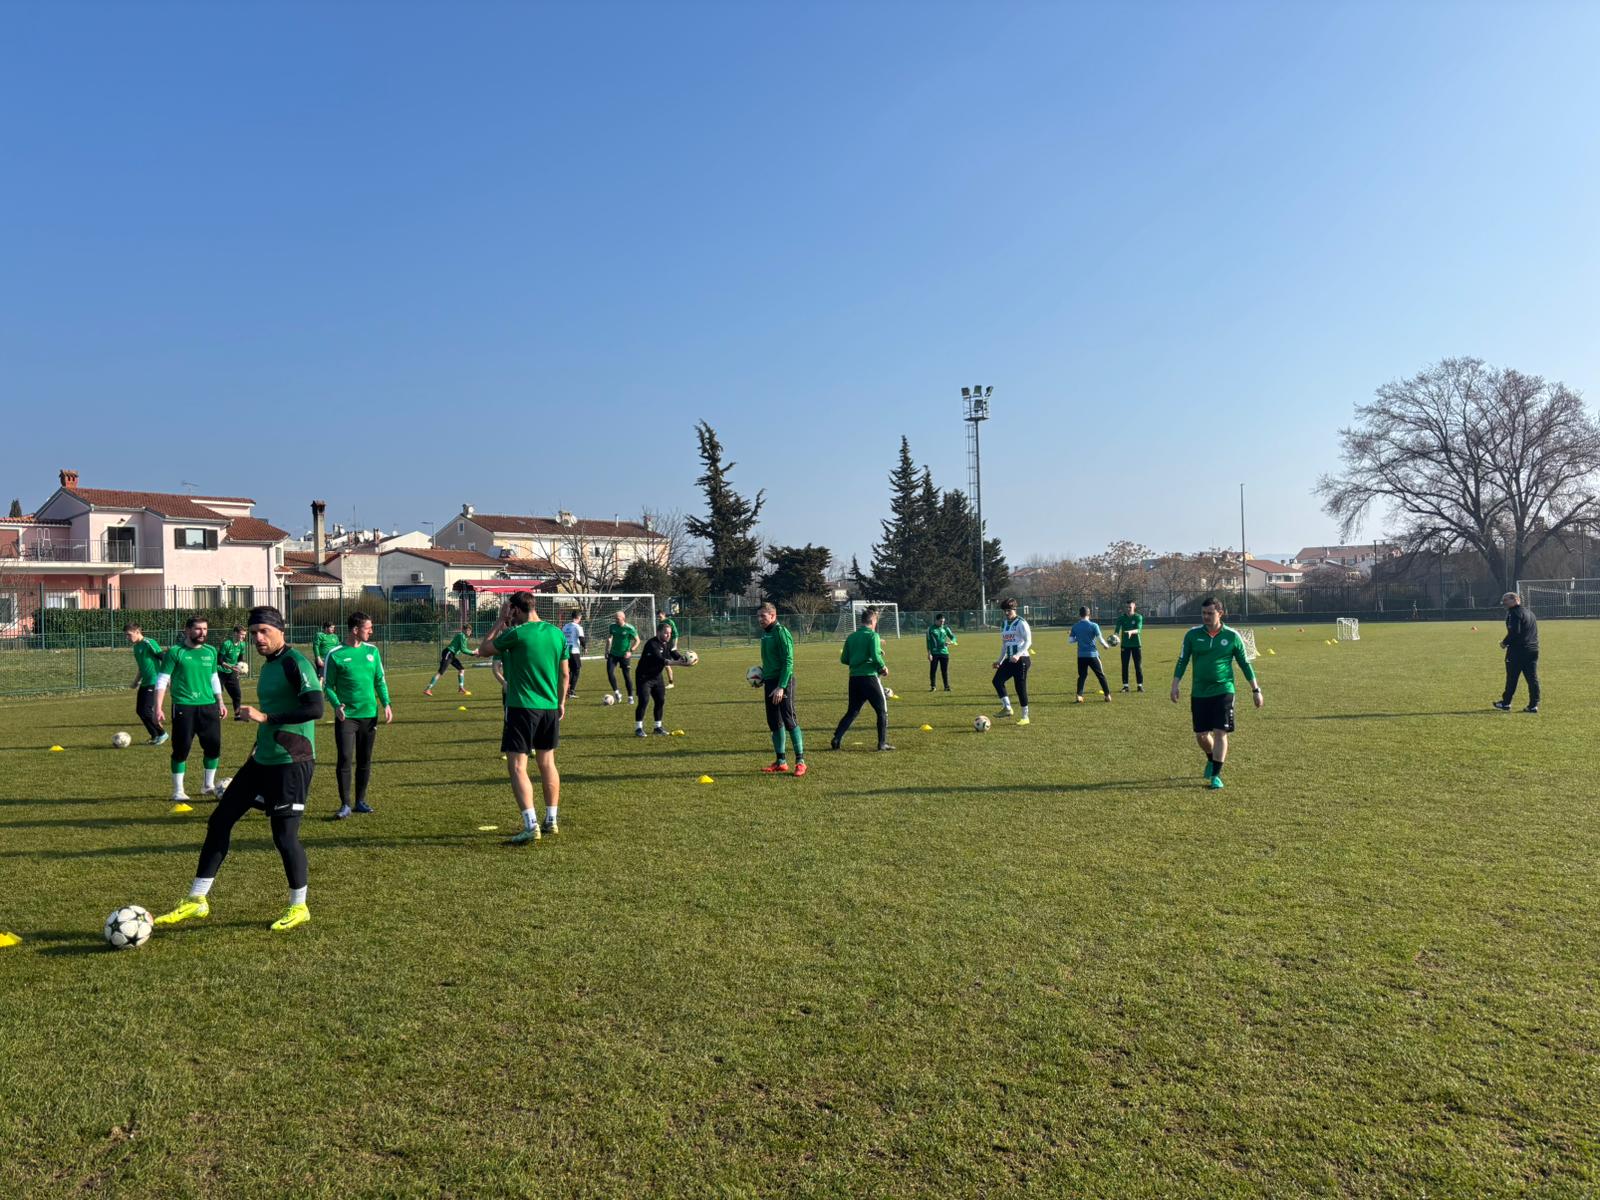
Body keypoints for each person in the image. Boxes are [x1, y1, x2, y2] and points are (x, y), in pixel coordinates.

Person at [153, 605, 323, 933]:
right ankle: (197, 899)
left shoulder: (295, 662)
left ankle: (299, 906)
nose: (258, 638)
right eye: (254, 632)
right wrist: (259, 739)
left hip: (293, 761)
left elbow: (315, 708)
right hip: (262, 758)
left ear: (281, 631)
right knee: (220, 820)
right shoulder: (270, 665)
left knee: (284, 837)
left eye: (265, 632)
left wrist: (265, 717)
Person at [477, 591, 568, 843]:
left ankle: (531, 825)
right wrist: (560, 702)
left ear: (515, 610)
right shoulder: (557, 633)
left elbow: (483, 650)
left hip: (522, 707)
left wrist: (499, 621)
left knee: (517, 766)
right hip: (550, 707)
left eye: (509, 611)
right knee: (547, 763)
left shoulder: (516, 633)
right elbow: (565, 675)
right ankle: (551, 820)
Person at [1170, 597, 1263, 790]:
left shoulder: (1232, 636)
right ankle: (1211, 759)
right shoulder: (1192, 635)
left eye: (1210, 613)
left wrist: (1256, 690)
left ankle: (1216, 775)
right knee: (1202, 735)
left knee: (1220, 731)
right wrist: (1175, 685)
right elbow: (1182, 660)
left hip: (1224, 690)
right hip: (1199, 692)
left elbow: (1245, 664)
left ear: (1220, 613)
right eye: (1203, 613)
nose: (1206, 617)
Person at [323, 611, 393, 819]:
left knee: (365, 758)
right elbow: (328, 686)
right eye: (368, 628)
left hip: (369, 715)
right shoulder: (335, 654)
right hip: (347, 717)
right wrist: (337, 705)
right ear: (355, 630)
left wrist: (386, 703)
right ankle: (345, 804)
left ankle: (360, 801)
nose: (371, 631)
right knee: (345, 758)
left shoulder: (372, 651)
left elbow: (379, 680)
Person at [153, 615, 227, 801]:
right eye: (198, 629)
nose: (202, 633)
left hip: (208, 706)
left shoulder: (211, 651)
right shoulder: (175, 652)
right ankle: (178, 790)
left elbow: (213, 678)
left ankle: (208, 786)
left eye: (205, 629)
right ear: (187, 630)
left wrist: (220, 701)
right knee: (181, 749)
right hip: (184, 707)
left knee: (213, 747)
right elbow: (162, 680)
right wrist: (158, 707)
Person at [831, 604, 893, 751]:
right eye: (876, 621)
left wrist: (857, 662)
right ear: (872, 621)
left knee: (852, 711)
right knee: (882, 711)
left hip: (854, 679)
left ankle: (837, 738)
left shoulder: (851, 636)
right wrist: (883, 667)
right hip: (869, 678)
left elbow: (844, 659)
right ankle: (882, 743)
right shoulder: (873, 635)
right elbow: (875, 656)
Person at [757, 602, 807, 775]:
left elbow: (788, 661)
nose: (760, 619)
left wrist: (781, 686)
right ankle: (781, 761)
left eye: (763, 616)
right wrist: (762, 676)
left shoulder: (781, 632)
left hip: (783, 682)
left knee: (789, 719)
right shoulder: (765, 634)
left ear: (773, 616)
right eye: (758, 616)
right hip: (770, 682)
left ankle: (800, 762)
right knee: (774, 722)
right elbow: (771, 660)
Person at [633, 620, 692, 736]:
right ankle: (638, 728)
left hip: (657, 676)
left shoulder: (668, 643)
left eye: (670, 633)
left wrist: (686, 659)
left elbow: (674, 653)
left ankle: (658, 727)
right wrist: (680, 663)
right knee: (644, 701)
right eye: (666, 633)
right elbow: (661, 660)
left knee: (660, 700)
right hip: (644, 677)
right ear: (658, 632)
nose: (668, 635)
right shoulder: (652, 644)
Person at [1493, 591, 1540, 713]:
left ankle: (1506, 703)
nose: (1504, 603)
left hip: (1517, 651)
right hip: (1532, 649)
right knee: (1532, 678)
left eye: (1506, 600)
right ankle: (1533, 705)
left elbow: (1515, 632)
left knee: (1512, 678)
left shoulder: (1514, 613)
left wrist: (1504, 643)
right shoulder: (1530, 613)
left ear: (1515, 599)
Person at [124, 623, 167, 745]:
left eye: (129, 635)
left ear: (137, 632)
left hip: (155, 681)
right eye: (126, 635)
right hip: (145, 682)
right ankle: (155, 736)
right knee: (140, 711)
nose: (127, 638)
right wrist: (135, 682)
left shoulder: (149, 643)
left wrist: (168, 677)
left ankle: (162, 734)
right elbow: (141, 667)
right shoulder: (136, 647)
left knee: (146, 710)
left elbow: (163, 658)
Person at [991, 597, 1032, 725]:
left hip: (1022, 660)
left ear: (1015, 609)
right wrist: (999, 661)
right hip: (1009, 660)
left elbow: (1028, 641)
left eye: (1009, 610)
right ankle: (1007, 708)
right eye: (1005, 610)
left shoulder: (1021, 623)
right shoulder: (1004, 624)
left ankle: (1025, 717)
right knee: (997, 681)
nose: (1007, 613)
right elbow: (1005, 645)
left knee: (1020, 688)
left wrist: (1018, 655)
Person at [1069, 606, 1113, 702]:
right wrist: (1106, 645)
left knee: (1082, 676)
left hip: (1081, 656)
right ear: (1089, 614)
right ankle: (1107, 695)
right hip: (1092, 655)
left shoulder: (1075, 626)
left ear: (1079, 615)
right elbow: (1100, 639)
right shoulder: (1094, 625)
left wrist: (1078, 638)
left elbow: (1070, 640)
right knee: (1100, 675)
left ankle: (1079, 696)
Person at [425, 624, 473, 696]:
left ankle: (461, 688)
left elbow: (463, 649)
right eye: (467, 630)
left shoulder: (464, 638)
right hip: (448, 653)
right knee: (441, 672)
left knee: (461, 669)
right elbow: (463, 650)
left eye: (470, 630)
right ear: (463, 630)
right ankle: (427, 689)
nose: (469, 632)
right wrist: (473, 652)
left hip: (452, 655)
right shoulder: (461, 635)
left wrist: (473, 653)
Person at [604, 610, 639, 703]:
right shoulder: (612, 626)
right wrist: (606, 650)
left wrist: (631, 651)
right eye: (615, 618)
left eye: (617, 618)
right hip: (613, 654)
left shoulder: (629, 628)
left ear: (623, 618)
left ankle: (630, 697)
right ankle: (617, 692)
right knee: (610, 672)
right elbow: (609, 638)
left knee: (626, 676)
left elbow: (637, 640)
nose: (616, 620)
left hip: (624, 655)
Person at [1114, 600, 1145, 692]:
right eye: (1127, 607)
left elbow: (1139, 630)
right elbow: (1117, 630)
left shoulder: (1138, 617)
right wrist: (1115, 637)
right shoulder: (1121, 618)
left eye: (1130, 607)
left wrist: (1131, 632)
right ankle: (1125, 686)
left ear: (1134, 607)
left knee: (1138, 666)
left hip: (1136, 644)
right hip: (1125, 645)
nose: (1128, 609)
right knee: (1125, 665)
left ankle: (1139, 686)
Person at [217, 625, 249, 710]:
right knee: (217, 695)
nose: (243, 637)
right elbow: (219, 660)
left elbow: (240, 659)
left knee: (237, 695)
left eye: (244, 635)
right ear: (235, 633)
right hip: (221, 672)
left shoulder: (242, 644)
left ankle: (237, 715)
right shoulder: (226, 644)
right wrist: (231, 667)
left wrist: (240, 669)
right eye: (242, 634)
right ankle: (217, 713)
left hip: (232, 673)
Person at [926, 613, 957, 691]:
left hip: (944, 652)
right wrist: (929, 653)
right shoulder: (930, 629)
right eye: (940, 621)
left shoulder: (946, 628)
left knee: (944, 670)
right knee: (933, 670)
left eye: (943, 621)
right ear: (936, 620)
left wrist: (951, 642)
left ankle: (946, 687)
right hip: (934, 653)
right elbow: (928, 642)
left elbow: (954, 637)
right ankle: (933, 686)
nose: (942, 623)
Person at [560, 609, 587, 698]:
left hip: (565, 651)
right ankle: (571, 691)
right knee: (576, 670)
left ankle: (566, 689)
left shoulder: (565, 626)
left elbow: (562, 638)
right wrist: (585, 648)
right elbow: (581, 638)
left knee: (570, 670)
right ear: (579, 617)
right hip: (574, 651)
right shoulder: (578, 627)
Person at [658, 610, 680, 689]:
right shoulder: (660, 623)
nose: (658, 618)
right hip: (662, 645)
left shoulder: (669, 621)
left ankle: (671, 683)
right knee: (661, 663)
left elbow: (676, 634)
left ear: (663, 615)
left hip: (669, 645)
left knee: (666, 664)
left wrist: (675, 645)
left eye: (660, 616)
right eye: (658, 617)